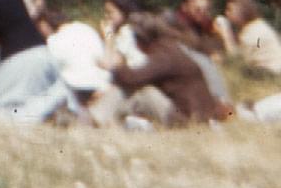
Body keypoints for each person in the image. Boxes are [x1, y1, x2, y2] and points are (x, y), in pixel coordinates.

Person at [86, 12, 227, 128]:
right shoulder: (169, 48)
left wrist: (115, 66)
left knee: (142, 91)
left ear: (139, 40)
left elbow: (132, 79)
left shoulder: (163, 56)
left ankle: (94, 118)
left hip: (186, 119)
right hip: (198, 115)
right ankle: (101, 119)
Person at [214, 0, 281, 78]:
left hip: (276, 73)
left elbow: (237, 60)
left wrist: (225, 33)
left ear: (242, 10)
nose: (227, 13)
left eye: (230, 10)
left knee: (244, 72)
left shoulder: (251, 32)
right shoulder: (258, 25)